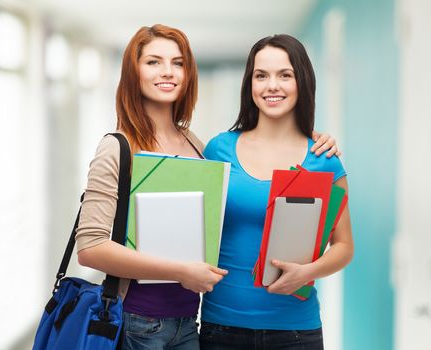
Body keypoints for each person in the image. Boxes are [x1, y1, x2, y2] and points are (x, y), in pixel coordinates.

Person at [75, 25, 340, 350]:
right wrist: (183, 271)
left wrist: (310, 139)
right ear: (134, 72)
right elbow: (90, 248)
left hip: (188, 323)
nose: (167, 72)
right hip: (136, 320)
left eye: (178, 63)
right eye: (153, 62)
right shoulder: (118, 147)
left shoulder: (200, 148)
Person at [199, 34, 354, 350]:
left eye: (285, 75)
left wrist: (307, 273)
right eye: (261, 75)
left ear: (303, 82)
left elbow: (344, 246)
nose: (272, 86)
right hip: (221, 328)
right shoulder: (218, 150)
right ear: (250, 84)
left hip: (296, 333)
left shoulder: (323, 159)